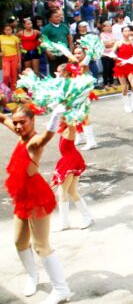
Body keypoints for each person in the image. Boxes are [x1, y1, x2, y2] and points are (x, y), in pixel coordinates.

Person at [1, 104, 71, 303]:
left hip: (36, 196)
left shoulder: (33, 142)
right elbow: (3, 119)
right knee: (19, 242)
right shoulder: (20, 135)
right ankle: (33, 275)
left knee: (41, 246)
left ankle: (61, 289)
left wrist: (54, 118)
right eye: (15, 123)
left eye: (22, 122)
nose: (17, 126)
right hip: (22, 196)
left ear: (32, 120)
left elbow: (46, 138)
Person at [52, 115, 93, 231]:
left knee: (62, 191)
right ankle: (87, 216)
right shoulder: (64, 129)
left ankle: (64, 222)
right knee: (71, 191)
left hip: (70, 161)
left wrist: (71, 110)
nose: (59, 119)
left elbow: (72, 124)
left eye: (61, 117)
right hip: (70, 159)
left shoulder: (70, 129)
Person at [113, 25, 133, 113]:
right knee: (124, 87)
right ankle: (126, 105)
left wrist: (125, 61)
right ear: (122, 33)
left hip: (129, 66)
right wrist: (114, 56)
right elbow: (112, 53)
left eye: (128, 31)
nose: (127, 32)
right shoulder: (118, 43)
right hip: (120, 66)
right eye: (125, 31)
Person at [41, 11, 72, 75]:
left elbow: (69, 38)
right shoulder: (46, 28)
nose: (58, 18)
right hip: (53, 53)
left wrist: (70, 50)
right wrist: (48, 53)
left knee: (66, 70)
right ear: (50, 19)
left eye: (59, 17)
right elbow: (43, 41)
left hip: (64, 52)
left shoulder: (64, 26)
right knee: (54, 71)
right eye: (56, 17)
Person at [1, 23, 22, 89]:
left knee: (14, 75)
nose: (8, 31)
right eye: (6, 30)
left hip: (14, 57)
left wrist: (19, 62)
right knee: (6, 75)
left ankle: (13, 90)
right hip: (5, 58)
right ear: (4, 31)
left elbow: (19, 50)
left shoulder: (15, 38)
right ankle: (4, 89)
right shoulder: (1, 37)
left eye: (9, 30)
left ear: (12, 30)